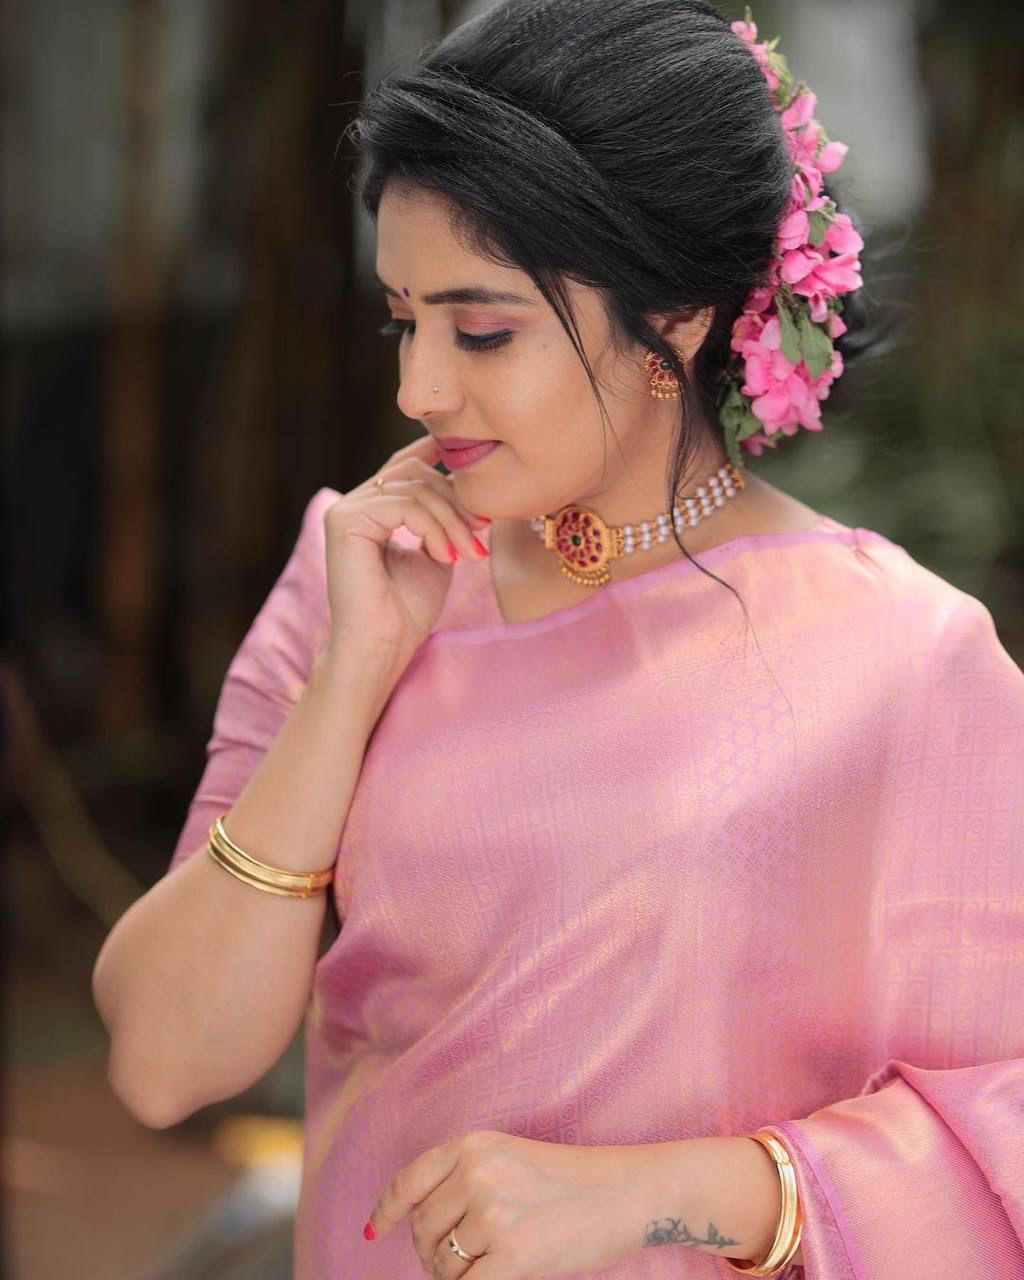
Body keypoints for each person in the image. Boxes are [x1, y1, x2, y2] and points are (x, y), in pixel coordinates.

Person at [91, 2, 1024, 1277]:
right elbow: (163, 1061)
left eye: (482, 330)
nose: (420, 387)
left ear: (678, 315)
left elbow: (1003, 1111)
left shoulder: (900, 658)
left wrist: (672, 1193)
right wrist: (352, 678)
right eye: (402, 320)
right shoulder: (360, 572)